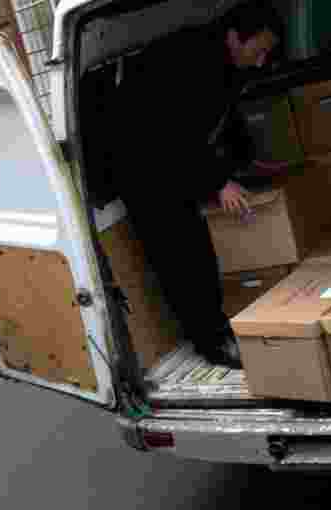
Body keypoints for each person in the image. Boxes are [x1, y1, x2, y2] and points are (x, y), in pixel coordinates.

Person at [116, 0, 285, 369]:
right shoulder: (192, 62)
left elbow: (224, 121)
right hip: (144, 168)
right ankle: (211, 342)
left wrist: (246, 162)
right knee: (183, 257)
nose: (261, 62)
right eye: (258, 51)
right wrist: (219, 182)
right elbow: (175, 132)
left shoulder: (226, 63)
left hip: (176, 160)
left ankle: (219, 329)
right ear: (234, 38)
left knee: (197, 254)